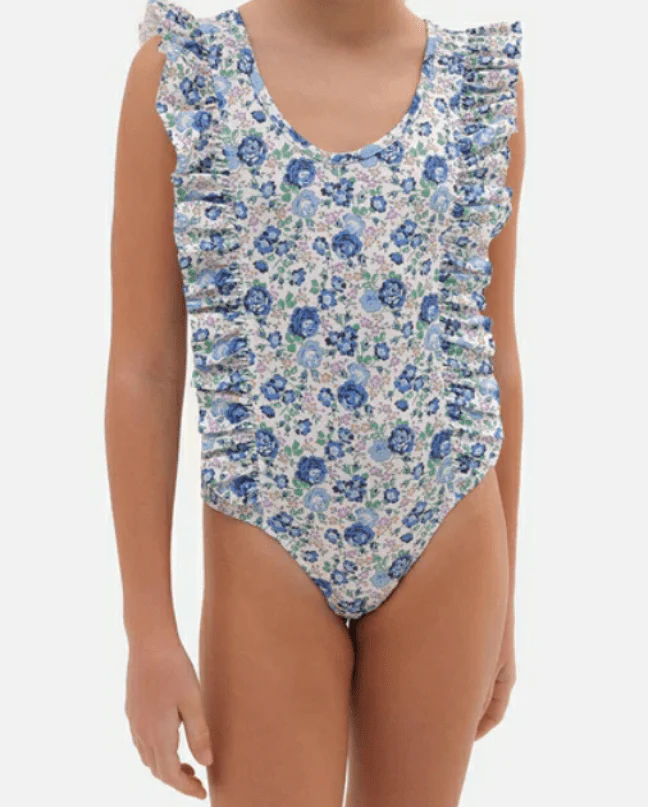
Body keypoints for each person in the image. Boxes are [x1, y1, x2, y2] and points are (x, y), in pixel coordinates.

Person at [105, 0, 525, 804]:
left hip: (449, 530)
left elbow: (493, 352)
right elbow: (144, 367)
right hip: (266, 540)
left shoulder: (476, 90)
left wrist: (505, 606)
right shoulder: (185, 77)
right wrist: (147, 629)